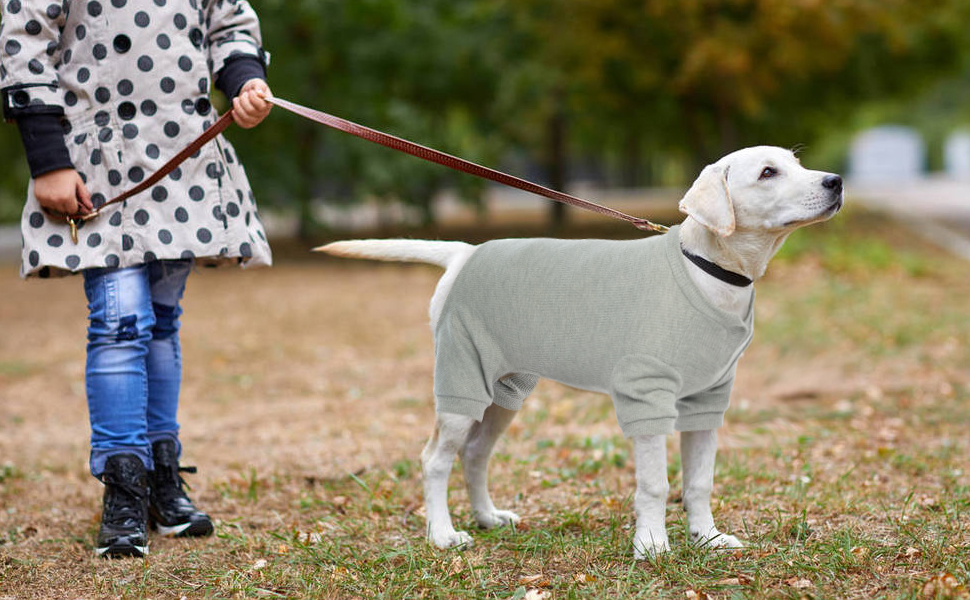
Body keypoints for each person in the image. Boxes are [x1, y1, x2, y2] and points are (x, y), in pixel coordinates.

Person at [1, 0, 274, 558]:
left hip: (183, 157)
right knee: (119, 322)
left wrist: (245, 81)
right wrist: (48, 159)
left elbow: (229, 22)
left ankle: (160, 476)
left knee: (162, 324)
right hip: (96, 160)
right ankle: (124, 487)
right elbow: (24, 37)